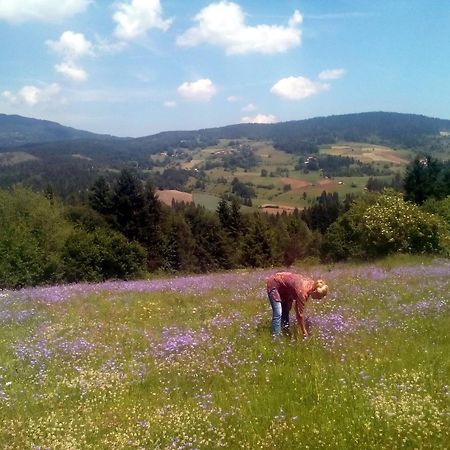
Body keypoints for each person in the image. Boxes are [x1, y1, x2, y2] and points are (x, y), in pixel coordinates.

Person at [266, 272, 328, 338]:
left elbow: (292, 288)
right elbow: (299, 315)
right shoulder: (303, 292)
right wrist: (304, 332)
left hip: (284, 288)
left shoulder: (311, 284)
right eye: (319, 297)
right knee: (278, 313)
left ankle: (285, 333)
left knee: (286, 310)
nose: (319, 299)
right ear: (314, 291)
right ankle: (276, 338)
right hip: (274, 283)